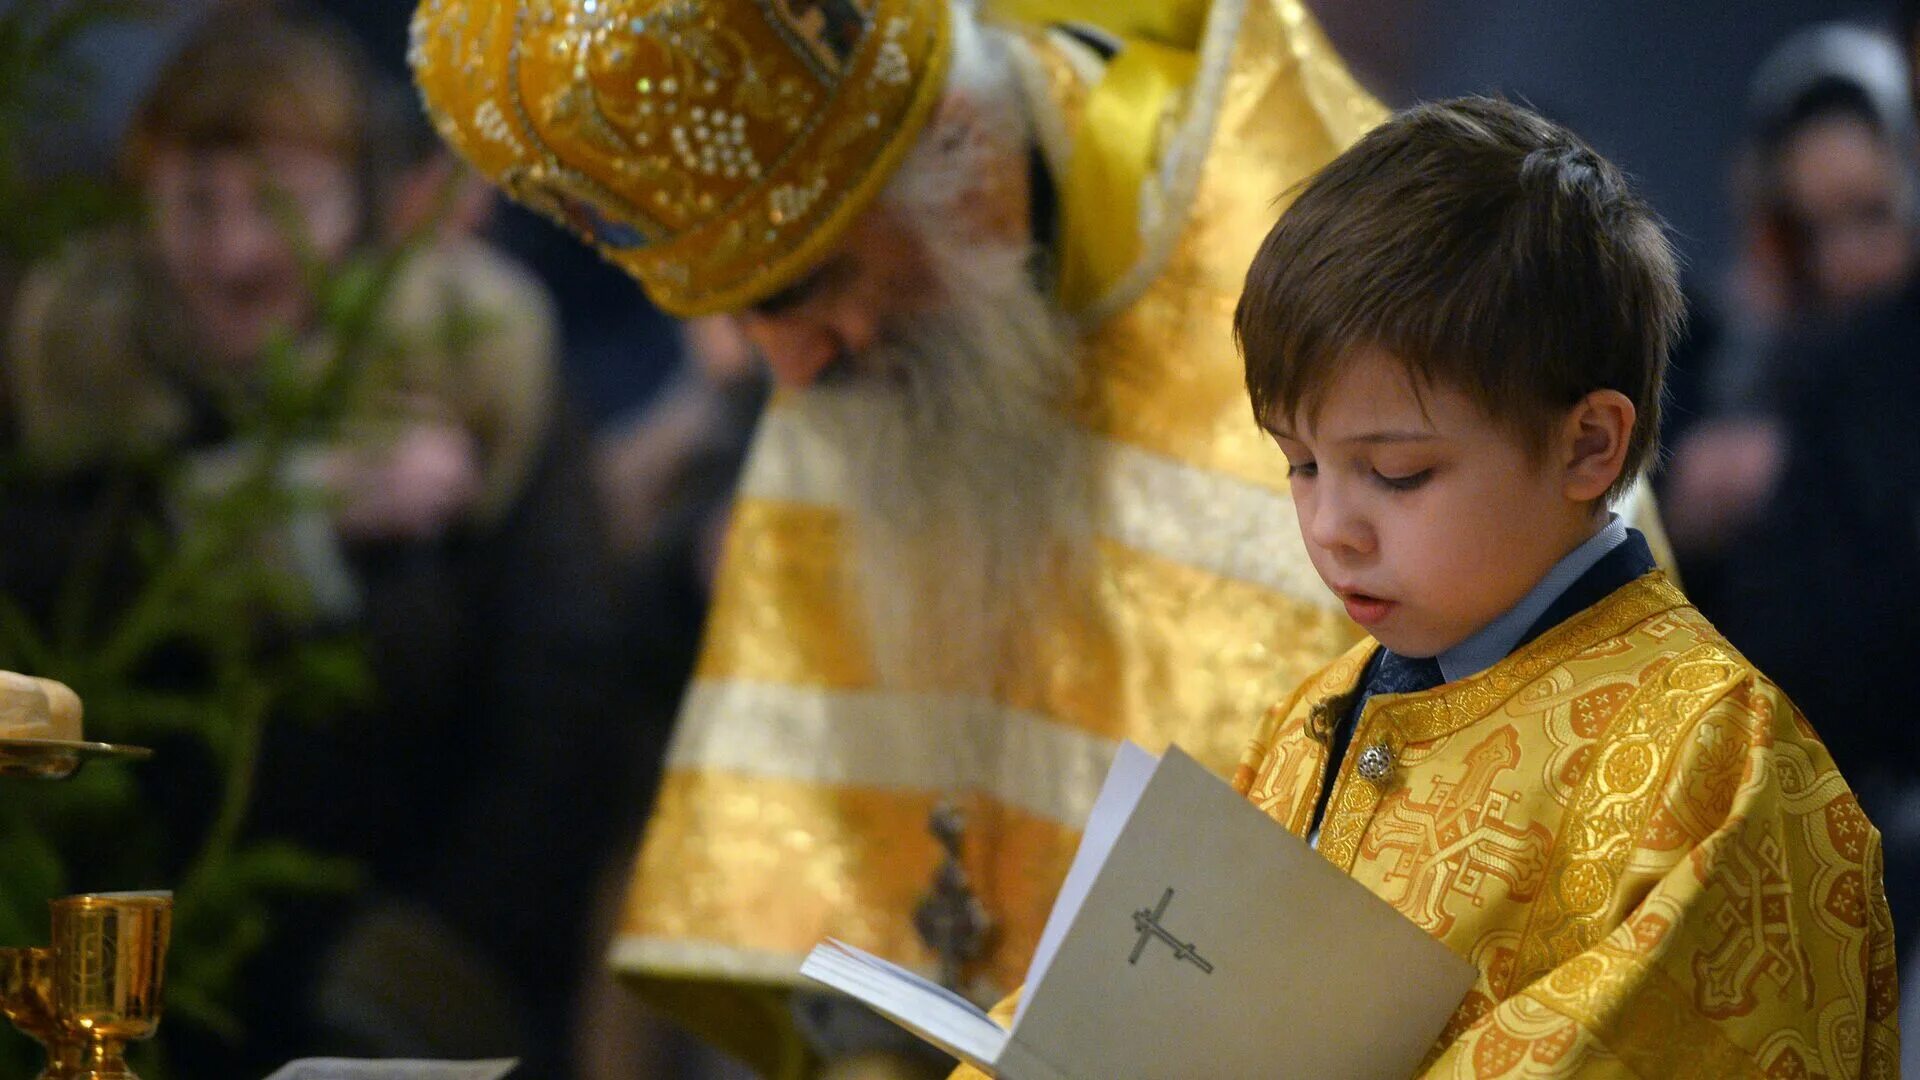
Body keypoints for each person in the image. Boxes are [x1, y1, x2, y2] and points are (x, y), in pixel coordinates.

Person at [411, 2, 1669, 1075]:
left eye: (802, 283)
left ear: (960, 156)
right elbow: (822, 927)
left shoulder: (1381, 282)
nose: (788, 368)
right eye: (742, 318)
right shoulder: (880, 366)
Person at [951, 95, 1898, 1078]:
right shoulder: (1318, 713)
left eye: (1396, 474)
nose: (1329, 527)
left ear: (1587, 444)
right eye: (1300, 464)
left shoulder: (1718, 765)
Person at [7, 7, 632, 1074]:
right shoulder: (77, 364)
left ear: (366, 201)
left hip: (407, 980)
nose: (239, 254)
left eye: (283, 207)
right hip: (114, 974)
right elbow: (43, 624)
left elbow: (567, 697)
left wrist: (427, 976)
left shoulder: (474, 359)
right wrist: (274, 512)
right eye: (196, 206)